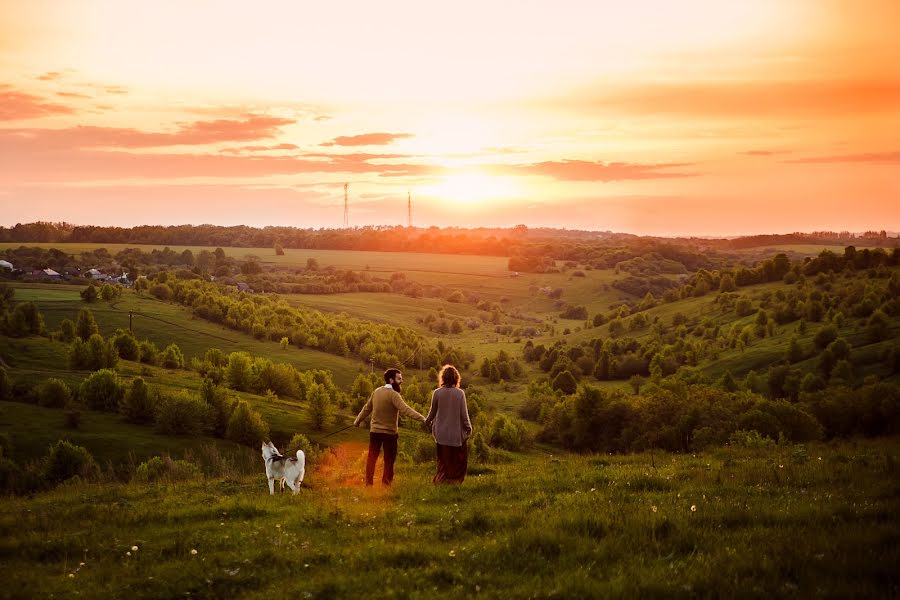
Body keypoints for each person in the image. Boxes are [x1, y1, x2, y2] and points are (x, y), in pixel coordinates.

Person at [354, 368, 426, 486]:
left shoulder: (376, 391)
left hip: (375, 432)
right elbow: (406, 410)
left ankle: (368, 484)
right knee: (389, 460)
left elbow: (367, 408)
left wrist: (357, 421)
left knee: (371, 459)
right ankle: (386, 485)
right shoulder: (394, 395)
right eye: (399, 379)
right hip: (390, 434)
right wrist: (423, 418)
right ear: (391, 380)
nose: (401, 381)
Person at [424, 364, 472, 484]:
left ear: (443, 378)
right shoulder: (460, 394)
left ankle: (441, 479)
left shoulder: (437, 393)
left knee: (443, 460)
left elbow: (432, 413)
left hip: (440, 434)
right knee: (457, 460)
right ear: (456, 378)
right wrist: (468, 428)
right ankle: (454, 481)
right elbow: (464, 415)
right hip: (455, 434)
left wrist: (426, 421)